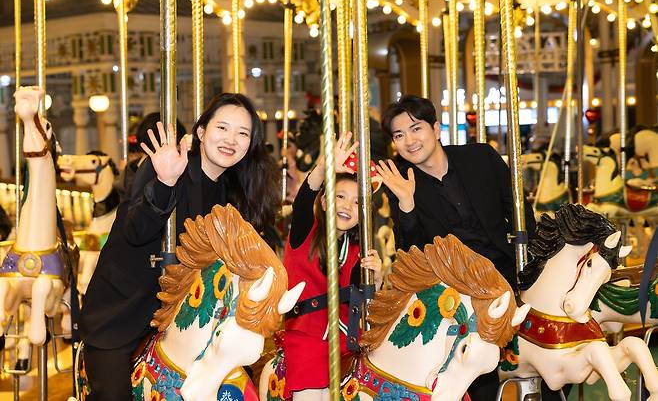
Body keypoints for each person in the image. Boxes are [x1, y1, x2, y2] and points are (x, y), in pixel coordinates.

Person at [79, 93, 280, 401]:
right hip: (125, 311)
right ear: (201, 131)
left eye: (242, 133)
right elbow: (135, 230)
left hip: (188, 320)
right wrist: (165, 182)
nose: (231, 139)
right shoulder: (169, 165)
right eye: (222, 128)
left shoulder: (233, 192)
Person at [376, 95, 570, 401]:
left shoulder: (480, 157)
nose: (409, 141)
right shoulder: (402, 182)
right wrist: (407, 203)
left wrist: (531, 258)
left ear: (435, 129)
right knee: (476, 357)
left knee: (560, 329)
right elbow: (413, 256)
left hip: (508, 268)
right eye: (399, 135)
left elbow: (518, 207)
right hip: (460, 290)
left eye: (416, 129)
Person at [283, 132, 382, 401]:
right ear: (325, 202)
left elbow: (366, 305)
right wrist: (324, 168)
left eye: (358, 202)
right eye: (341, 196)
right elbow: (305, 197)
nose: (348, 205)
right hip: (306, 335)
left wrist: (376, 280)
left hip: (347, 341)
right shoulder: (305, 232)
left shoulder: (358, 250)